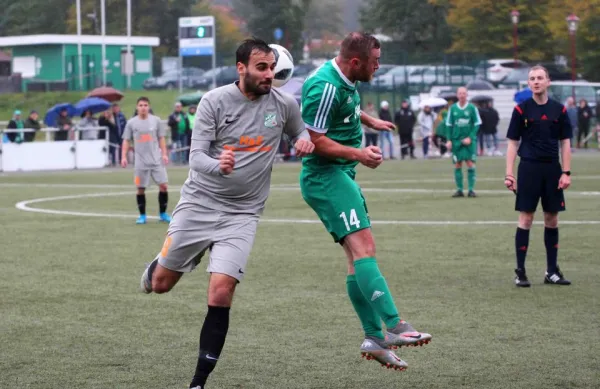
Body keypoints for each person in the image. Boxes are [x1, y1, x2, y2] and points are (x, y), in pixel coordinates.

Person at [138, 38, 314, 389]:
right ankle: (161, 263)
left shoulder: (284, 104)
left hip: (243, 214)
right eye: (261, 68)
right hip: (200, 204)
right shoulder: (213, 101)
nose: (269, 75)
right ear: (241, 68)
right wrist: (219, 164)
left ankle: (198, 382)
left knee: (221, 291)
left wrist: (303, 140)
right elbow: (196, 158)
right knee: (160, 285)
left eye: (272, 68)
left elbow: (300, 130)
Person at [300, 32, 432, 372]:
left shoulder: (345, 79)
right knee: (365, 249)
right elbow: (314, 141)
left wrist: (369, 120)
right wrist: (359, 153)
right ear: (355, 62)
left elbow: (345, 110)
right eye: (374, 62)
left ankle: (373, 338)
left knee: (354, 260)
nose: (378, 66)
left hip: (340, 175)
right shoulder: (324, 86)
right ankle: (394, 325)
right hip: (325, 176)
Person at [504, 65, 572, 288]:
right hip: (529, 169)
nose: (536, 81)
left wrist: (566, 172)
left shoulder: (559, 110)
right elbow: (513, 143)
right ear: (528, 83)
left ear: (548, 82)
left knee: (552, 218)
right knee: (526, 218)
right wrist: (509, 173)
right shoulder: (521, 110)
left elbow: (565, 142)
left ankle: (551, 271)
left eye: (540, 78)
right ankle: (520, 272)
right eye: (532, 78)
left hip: (552, 169)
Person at [121, 97, 171, 225]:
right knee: (140, 188)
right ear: (137, 107)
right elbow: (126, 140)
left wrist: (164, 154)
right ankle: (142, 215)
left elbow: (161, 139)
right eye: (141, 105)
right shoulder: (131, 123)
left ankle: (163, 214)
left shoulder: (156, 121)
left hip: (156, 160)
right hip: (140, 163)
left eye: (145, 105)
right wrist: (123, 157)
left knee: (164, 186)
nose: (143, 107)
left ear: (149, 107)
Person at [445, 87, 481, 198]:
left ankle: (471, 190)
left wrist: (470, 137)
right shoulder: (453, 108)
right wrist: (449, 140)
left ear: (467, 95)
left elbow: (477, 123)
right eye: (460, 93)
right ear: (457, 95)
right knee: (457, 164)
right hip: (456, 141)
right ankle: (459, 190)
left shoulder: (472, 108)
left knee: (470, 163)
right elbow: (449, 125)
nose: (462, 95)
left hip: (469, 142)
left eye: (464, 93)